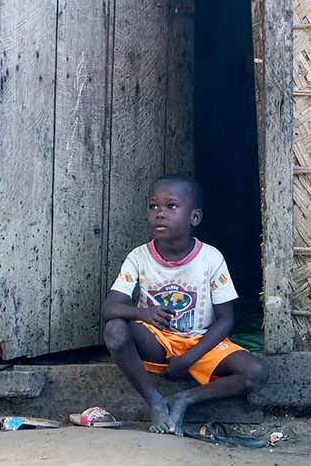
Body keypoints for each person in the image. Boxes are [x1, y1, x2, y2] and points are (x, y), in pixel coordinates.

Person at [103, 174, 268, 435]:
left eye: (171, 206)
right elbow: (110, 308)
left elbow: (226, 320)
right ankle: (154, 400)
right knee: (115, 329)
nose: (160, 213)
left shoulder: (211, 259)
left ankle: (185, 399)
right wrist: (143, 313)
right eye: (153, 206)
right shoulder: (139, 257)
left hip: (199, 343)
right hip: (157, 342)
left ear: (195, 218)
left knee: (256, 373)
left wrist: (189, 358)